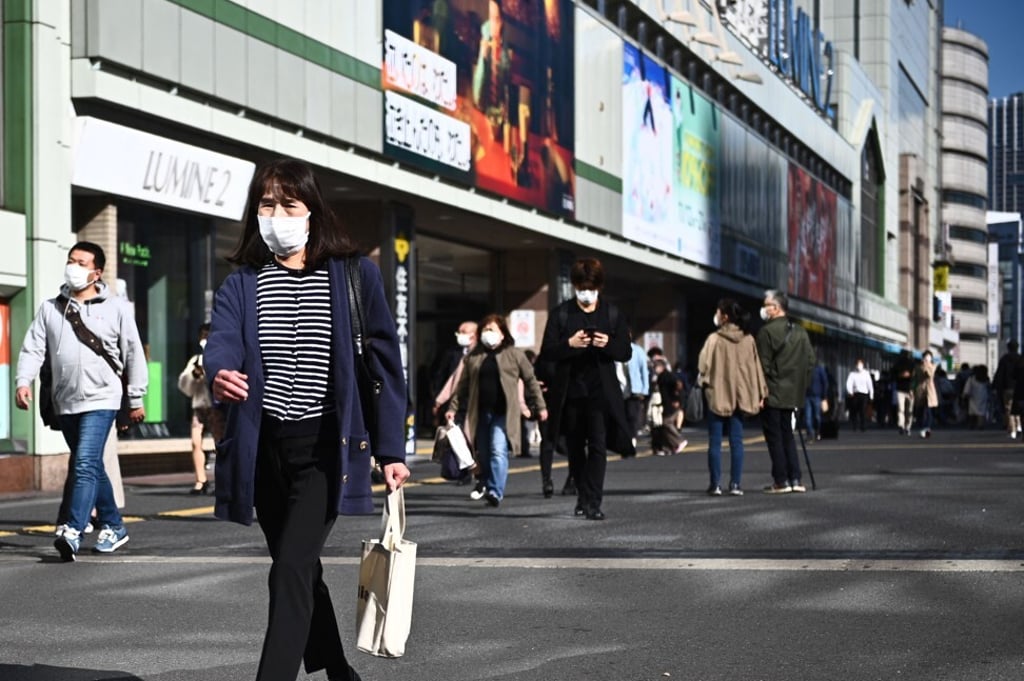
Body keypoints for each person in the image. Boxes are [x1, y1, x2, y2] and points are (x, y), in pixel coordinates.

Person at [204, 158, 410, 681]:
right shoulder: (242, 284)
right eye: (267, 204)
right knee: (303, 572)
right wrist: (220, 372)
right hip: (264, 450)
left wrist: (391, 450)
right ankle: (340, 673)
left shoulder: (354, 275)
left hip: (325, 449)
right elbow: (223, 341)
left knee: (289, 571)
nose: (277, 215)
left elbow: (384, 364)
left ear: (313, 212)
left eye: (288, 205)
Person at [14, 241, 147, 561]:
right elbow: (34, 348)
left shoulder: (116, 307)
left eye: (81, 262)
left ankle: (72, 529)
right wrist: (23, 381)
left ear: (96, 272)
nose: (73, 266)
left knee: (85, 463)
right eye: (70, 260)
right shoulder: (51, 308)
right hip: (67, 400)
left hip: (103, 398)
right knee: (93, 466)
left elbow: (133, 352)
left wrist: (136, 397)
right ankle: (115, 526)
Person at [539, 257, 634, 520]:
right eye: (581, 287)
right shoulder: (561, 313)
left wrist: (608, 343)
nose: (586, 292)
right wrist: (569, 343)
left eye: (591, 287)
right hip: (570, 392)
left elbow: (625, 352)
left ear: (599, 287)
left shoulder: (611, 313)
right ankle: (582, 494)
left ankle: (594, 501)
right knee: (575, 447)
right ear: (574, 286)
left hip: (601, 393)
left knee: (598, 446)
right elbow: (547, 352)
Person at [446, 314, 547, 507]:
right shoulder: (474, 357)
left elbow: (531, 381)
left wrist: (539, 405)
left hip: (504, 412)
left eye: (491, 329)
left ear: (502, 334)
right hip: (481, 411)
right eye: (484, 330)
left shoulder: (514, 354)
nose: (487, 333)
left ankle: (495, 491)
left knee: (498, 449)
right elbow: (462, 386)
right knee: (483, 453)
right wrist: (453, 408)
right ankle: (485, 481)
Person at [697, 299, 767, 496]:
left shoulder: (714, 339)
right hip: (741, 397)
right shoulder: (748, 340)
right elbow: (756, 369)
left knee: (715, 441)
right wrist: (761, 393)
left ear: (725, 316)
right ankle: (735, 484)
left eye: (718, 313)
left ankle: (715, 484)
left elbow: (702, 366)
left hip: (717, 395)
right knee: (737, 441)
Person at [756, 289, 815, 494]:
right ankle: (796, 478)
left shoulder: (766, 332)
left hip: (772, 391)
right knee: (788, 435)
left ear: (776, 308)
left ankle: (780, 480)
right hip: (793, 393)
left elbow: (761, 366)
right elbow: (810, 362)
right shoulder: (800, 331)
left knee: (775, 437)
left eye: (766, 305)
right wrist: (801, 386)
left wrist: (760, 393)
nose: (763, 309)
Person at [177, 323, 224, 495]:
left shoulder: (219, 355)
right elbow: (185, 384)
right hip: (199, 406)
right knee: (196, 442)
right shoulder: (196, 359)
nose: (205, 338)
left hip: (215, 407)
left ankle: (223, 480)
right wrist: (195, 375)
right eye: (203, 334)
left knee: (220, 444)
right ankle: (200, 480)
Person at [650, 358, 687, 456]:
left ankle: (679, 441)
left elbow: (677, 384)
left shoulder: (666, 376)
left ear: (661, 367)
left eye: (655, 367)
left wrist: (676, 398)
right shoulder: (662, 376)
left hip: (671, 403)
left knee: (667, 422)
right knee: (665, 425)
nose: (654, 369)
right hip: (668, 403)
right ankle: (669, 446)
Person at [624, 330, 650, 438]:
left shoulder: (638, 351)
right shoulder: (614, 350)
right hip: (620, 389)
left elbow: (644, 370)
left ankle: (631, 438)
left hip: (635, 389)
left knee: (632, 416)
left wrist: (644, 390)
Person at [992, 340, 1021, 438]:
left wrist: (995, 387)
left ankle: (1012, 429)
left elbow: (999, 375)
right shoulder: (1021, 358)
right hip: (1019, 387)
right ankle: (1019, 426)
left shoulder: (1004, 359)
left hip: (1007, 388)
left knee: (1009, 408)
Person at [914, 351, 938, 438]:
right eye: (925, 357)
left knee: (928, 411)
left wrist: (927, 365)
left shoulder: (933, 366)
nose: (926, 359)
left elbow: (929, 374)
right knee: (920, 410)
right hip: (921, 389)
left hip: (930, 390)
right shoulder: (918, 367)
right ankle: (922, 427)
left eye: (928, 358)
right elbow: (916, 378)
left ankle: (926, 428)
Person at [845, 358, 874, 432]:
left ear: (863, 364)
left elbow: (870, 384)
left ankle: (863, 426)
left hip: (864, 394)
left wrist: (871, 395)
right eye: (858, 364)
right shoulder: (852, 374)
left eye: (860, 364)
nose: (859, 365)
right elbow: (849, 383)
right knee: (854, 410)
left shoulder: (866, 373)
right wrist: (850, 391)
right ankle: (854, 425)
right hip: (855, 394)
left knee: (863, 410)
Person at [892, 350, 916, 435]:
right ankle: (902, 426)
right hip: (902, 390)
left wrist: (912, 389)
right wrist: (900, 375)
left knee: (906, 410)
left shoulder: (913, 365)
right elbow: (893, 374)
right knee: (904, 409)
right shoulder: (898, 365)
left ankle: (906, 426)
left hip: (908, 390)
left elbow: (915, 378)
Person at [804, 358, 829, 440]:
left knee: (817, 416)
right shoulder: (805, 370)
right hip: (807, 396)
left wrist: (824, 396)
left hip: (817, 396)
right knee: (808, 417)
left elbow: (825, 382)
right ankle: (810, 433)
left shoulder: (819, 370)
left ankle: (817, 431)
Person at [961, 364, 991, 430]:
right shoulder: (986, 379)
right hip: (983, 396)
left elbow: (967, 388)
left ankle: (972, 424)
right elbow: (989, 387)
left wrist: (964, 395)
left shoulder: (972, 378)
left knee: (972, 412)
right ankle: (981, 425)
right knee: (981, 412)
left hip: (973, 396)